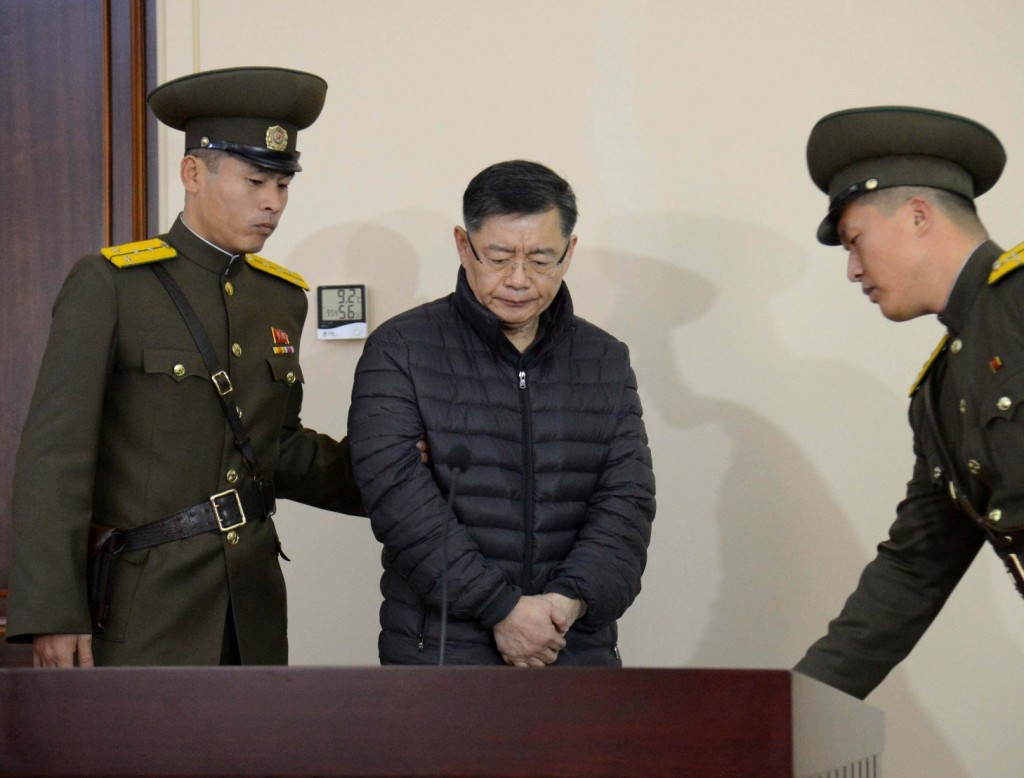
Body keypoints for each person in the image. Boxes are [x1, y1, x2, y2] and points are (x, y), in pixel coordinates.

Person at [6, 66, 367, 668]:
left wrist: (395, 470)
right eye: (255, 181)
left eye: (282, 185)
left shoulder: (280, 298)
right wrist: (53, 612)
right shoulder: (112, 285)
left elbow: (278, 449)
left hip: (251, 604)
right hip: (146, 608)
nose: (272, 204)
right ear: (193, 172)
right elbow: (56, 457)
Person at [347, 160, 656, 667]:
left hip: (572, 646)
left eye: (540, 259)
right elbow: (398, 501)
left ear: (570, 252)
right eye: (498, 257)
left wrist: (562, 605)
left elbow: (627, 501)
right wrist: (501, 609)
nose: (518, 280)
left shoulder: (604, 359)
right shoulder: (401, 349)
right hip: (441, 653)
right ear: (463, 245)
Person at [794, 105, 1024, 699]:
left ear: (918, 215)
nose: (852, 270)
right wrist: (793, 707)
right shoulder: (939, 396)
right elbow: (915, 568)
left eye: (855, 240)